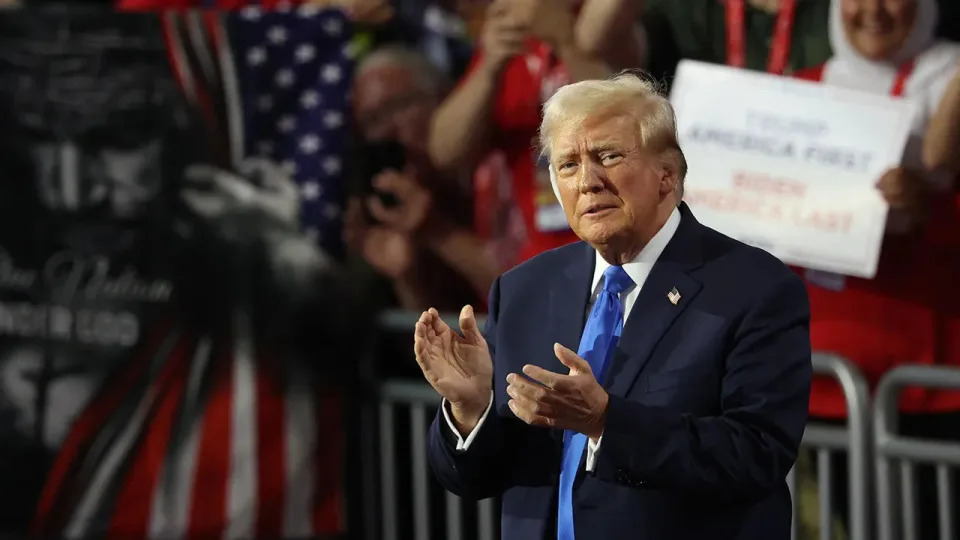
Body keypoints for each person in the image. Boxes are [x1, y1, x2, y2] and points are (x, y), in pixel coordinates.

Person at [414, 73, 813, 540]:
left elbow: (755, 455)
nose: (587, 181)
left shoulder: (753, 288)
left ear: (668, 174)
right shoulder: (524, 289)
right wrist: (471, 408)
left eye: (609, 156)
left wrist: (606, 422)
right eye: (566, 165)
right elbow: (472, 478)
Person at [792, 0, 960, 537]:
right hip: (828, 384)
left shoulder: (951, 87)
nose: (873, 10)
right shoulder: (796, 95)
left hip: (932, 384)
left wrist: (928, 208)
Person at [428, 0, 645, 266]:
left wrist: (565, 42)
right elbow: (444, 152)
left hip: (618, 250)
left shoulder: (600, 25)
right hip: (541, 259)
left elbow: (630, 127)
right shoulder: (512, 40)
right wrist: (489, 67)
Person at [346, 45, 499, 312]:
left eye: (398, 106)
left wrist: (439, 231)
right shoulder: (396, 207)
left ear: (445, 96)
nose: (386, 130)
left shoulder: (499, 161)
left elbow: (534, 294)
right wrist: (407, 278)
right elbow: (432, 342)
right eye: (371, 120)